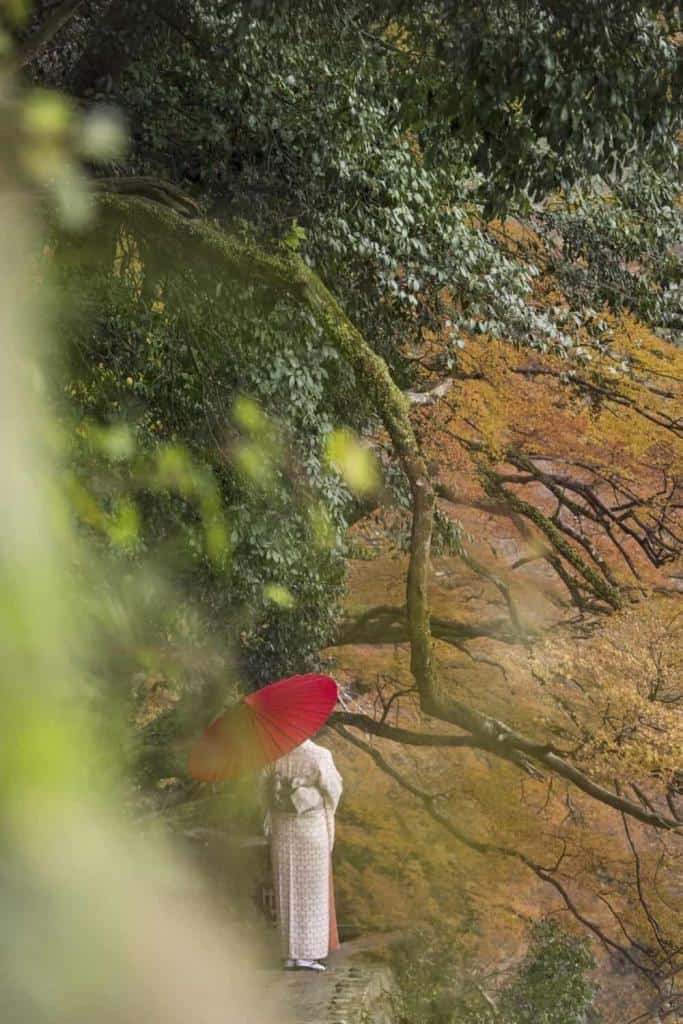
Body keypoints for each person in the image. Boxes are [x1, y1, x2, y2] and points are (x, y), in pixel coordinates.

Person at [263, 738, 343, 971]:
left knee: (286, 888)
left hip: (282, 828)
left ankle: (289, 953)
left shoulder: (272, 754)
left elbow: (262, 793)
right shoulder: (319, 755)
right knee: (311, 891)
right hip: (310, 826)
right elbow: (334, 790)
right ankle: (306, 954)